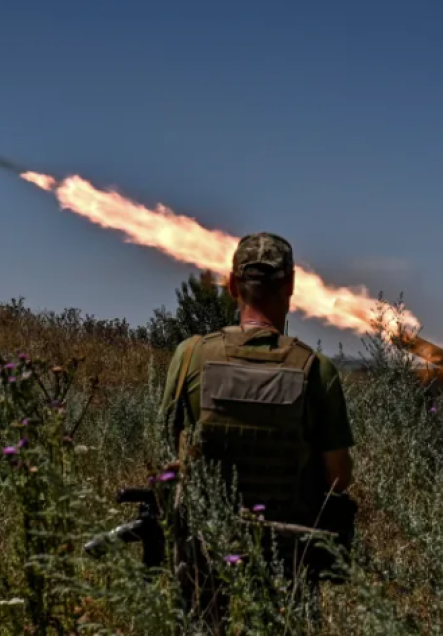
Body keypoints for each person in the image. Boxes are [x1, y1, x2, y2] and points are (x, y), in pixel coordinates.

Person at [158, 232, 355, 630]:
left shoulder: (191, 356)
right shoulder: (316, 371)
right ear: (292, 286)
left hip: (205, 554)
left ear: (231, 285)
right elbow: (338, 479)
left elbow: (169, 441)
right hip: (287, 561)